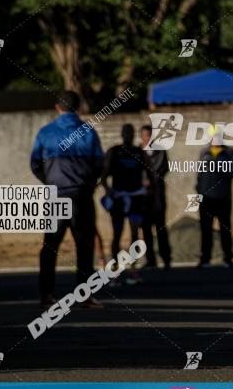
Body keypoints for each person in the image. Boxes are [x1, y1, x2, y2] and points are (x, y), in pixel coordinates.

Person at [30, 90, 105, 308]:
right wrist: (89, 185)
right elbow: (99, 165)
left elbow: (35, 164)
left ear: (57, 108)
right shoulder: (88, 132)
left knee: (50, 246)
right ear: (78, 108)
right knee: (84, 246)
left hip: (56, 196)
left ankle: (47, 295)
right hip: (81, 195)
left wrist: (50, 183)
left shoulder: (45, 132)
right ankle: (85, 296)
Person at [102, 124, 157, 281]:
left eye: (131, 133)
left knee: (135, 234)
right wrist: (108, 191)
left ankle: (133, 270)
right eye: (126, 132)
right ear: (122, 134)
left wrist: (151, 191)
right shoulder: (114, 152)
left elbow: (151, 174)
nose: (128, 135)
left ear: (134, 135)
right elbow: (104, 176)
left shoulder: (139, 153)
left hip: (135, 198)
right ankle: (114, 269)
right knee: (117, 234)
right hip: (119, 198)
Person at [196, 128, 233, 268]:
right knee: (205, 229)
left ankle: (228, 258)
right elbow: (199, 174)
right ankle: (205, 259)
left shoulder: (229, 153)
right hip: (206, 198)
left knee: (225, 229)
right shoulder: (204, 152)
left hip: (223, 197)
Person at [140, 124, 173, 269]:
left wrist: (151, 179)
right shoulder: (137, 151)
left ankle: (166, 259)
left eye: (149, 135)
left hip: (157, 196)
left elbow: (164, 168)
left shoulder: (160, 150)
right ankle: (150, 260)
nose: (146, 138)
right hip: (143, 197)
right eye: (144, 135)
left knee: (160, 227)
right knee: (146, 229)